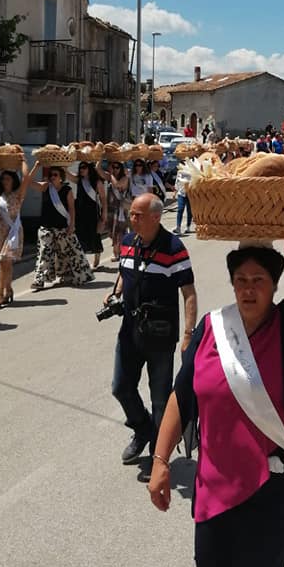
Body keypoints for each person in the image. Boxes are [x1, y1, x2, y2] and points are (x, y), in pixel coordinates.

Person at [148, 175, 284, 567]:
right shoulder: (213, 328)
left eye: (259, 281)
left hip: (270, 490)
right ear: (232, 285)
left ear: (275, 286)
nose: (249, 289)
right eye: (241, 281)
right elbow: (182, 395)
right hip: (212, 484)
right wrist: (160, 460)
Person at [110, 193, 197, 466]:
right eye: (131, 214)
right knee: (121, 387)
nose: (131, 219)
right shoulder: (127, 242)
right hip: (129, 332)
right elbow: (125, 272)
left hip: (160, 335)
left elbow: (189, 293)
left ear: (156, 218)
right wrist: (115, 293)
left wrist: (188, 334)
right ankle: (142, 429)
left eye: (137, 215)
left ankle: (158, 456)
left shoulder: (174, 248)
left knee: (161, 399)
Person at [31, 165, 93, 291]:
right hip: (46, 227)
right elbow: (27, 181)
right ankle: (39, 280)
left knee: (69, 252)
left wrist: (72, 225)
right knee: (44, 253)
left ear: (61, 177)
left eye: (55, 175)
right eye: (51, 175)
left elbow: (71, 209)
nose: (52, 177)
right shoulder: (45, 187)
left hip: (62, 227)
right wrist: (36, 166)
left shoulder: (67, 190)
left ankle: (75, 274)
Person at [0, 159, 39, 308]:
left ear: (13, 180)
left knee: (5, 262)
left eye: (7, 178)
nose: (4, 181)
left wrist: (23, 161)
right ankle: (8, 290)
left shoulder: (18, 195)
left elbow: (27, 177)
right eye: (3, 178)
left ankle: (1, 293)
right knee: (4, 263)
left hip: (12, 232)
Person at [72, 161, 107, 270]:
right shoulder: (79, 180)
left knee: (94, 234)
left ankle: (97, 255)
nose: (81, 169)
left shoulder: (97, 182)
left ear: (89, 169)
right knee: (80, 234)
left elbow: (103, 199)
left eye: (84, 167)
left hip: (92, 212)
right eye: (80, 167)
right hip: (80, 212)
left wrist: (104, 212)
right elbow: (67, 174)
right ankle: (82, 261)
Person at [105, 161, 130, 262]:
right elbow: (98, 170)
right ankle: (119, 251)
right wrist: (99, 159)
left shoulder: (124, 178)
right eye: (113, 167)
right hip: (111, 208)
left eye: (117, 167)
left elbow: (117, 185)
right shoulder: (110, 177)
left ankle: (118, 253)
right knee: (112, 232)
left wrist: (110, 174)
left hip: (120, 209)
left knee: (120, 232)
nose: (115, 169)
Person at [175, 164, 192, 235]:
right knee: (180, 209)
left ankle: (188, 226)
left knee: (189, 211)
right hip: (181, 194)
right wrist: (175, 192)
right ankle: (178, 227)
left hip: (190, 194)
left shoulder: (192, 172)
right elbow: (177, 183)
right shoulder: (179, 172)